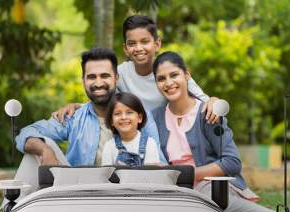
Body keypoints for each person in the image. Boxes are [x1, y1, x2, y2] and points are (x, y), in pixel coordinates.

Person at [151, 51, 274, 212]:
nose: (168, 83)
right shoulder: (155, 118)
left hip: (211, 185)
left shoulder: (208, 112)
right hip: (177, 190)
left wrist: (186, 174)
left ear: (187, 74)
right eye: (161, 78)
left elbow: (232, 162)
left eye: (174, 75)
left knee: (208, 200)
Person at [52, 15, 220, 124]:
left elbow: (202, 99)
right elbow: (102, 101)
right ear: (126, 48)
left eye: (145, 42)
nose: (138, 48)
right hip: (133, 136)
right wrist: (76, 106)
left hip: (167, 135)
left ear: (157, 44)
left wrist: (212, 100)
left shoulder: (168, 72)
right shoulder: (120, 73)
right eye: (132, 44)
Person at [15, 47, 165, 167]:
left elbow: (158, 161)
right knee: (33, 152)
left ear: (116, 78)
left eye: (105, 76)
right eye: (92, 77)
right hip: (81, 194)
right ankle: (15, 204)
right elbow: (25, 133)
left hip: (128, 193)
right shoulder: (73, 117)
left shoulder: (138, 115)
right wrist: (45, 150)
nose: (98, 83)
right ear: (83, 80)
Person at [102, 92, 161, 166]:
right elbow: (106, 175)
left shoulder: (149, 143)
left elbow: (151, 174)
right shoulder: (109, 146)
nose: (123, 117)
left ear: (139, 118)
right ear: (111, 121)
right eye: (117, 114)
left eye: (129, 112)